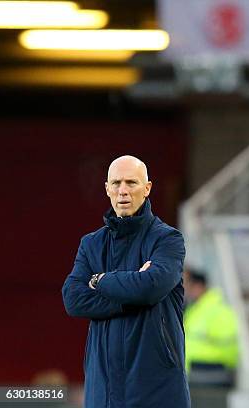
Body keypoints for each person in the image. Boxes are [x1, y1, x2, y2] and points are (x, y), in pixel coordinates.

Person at [62, 155, 190, 408]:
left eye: (131, 182)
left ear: (147, 189)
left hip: (157, 388)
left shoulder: (167, 240)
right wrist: (133, 293)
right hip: (103, 387)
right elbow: (73, 299)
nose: (123, 191)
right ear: (107, 189)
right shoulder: (91, 243)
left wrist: (99, 280)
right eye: (116, 183)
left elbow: (151, 287)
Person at [183, 267, 239, 387]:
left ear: (199, 286)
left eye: (188, 285)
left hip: (210, 370)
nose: (185, 291)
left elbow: (228, 347)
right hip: (196, 369)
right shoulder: (196, 309)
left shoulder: (217, 309)